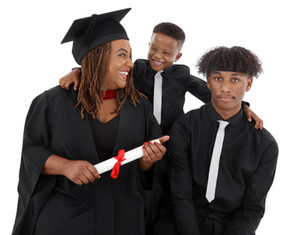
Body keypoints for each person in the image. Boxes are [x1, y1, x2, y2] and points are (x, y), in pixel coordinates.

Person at [58, 22, 264, 234]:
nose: (158, 55)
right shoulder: (136, 69)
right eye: (153, 48)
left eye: (167, 52)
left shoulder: (182, 76)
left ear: (178, 57)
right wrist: (78, 71)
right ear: (148, 45)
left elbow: (211, 93)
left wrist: (244, 107)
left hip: (172, 143)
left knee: (170, 190)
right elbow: (106, 70)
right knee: (140, 188)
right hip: (138, 143)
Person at [12, 8, 169, 235]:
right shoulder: (51, 102)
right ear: (98, 56)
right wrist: (67, 167)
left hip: (123, 218)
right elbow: (31, 153)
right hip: (67, 217)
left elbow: (145, 169)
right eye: (122, 55)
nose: (130, 63)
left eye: (131, 56)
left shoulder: (138, 106)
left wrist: (149, 160)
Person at [169, 46, 278, 235]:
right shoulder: (184, 127)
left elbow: (253, 208)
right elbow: (180, 194)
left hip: (232, 226)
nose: (225, 87)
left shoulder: (264, 144)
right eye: (218, 78)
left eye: (235, 79)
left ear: (249, 83)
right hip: (183, 221)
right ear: (208, 81)